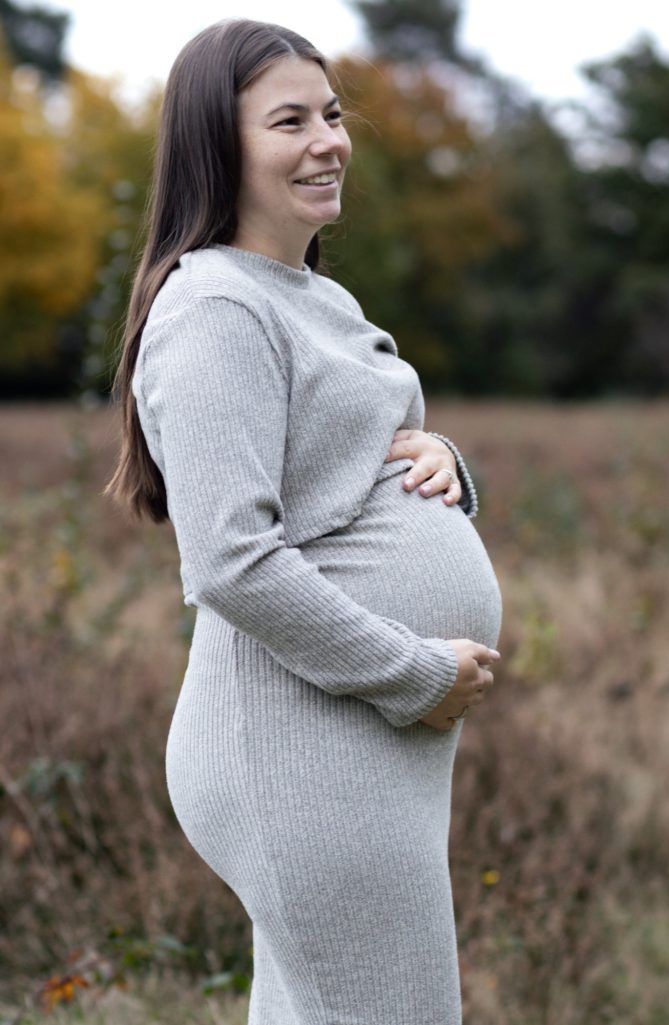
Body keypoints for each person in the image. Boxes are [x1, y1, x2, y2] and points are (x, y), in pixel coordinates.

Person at [105, 17, 503, 1024]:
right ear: (217, 148)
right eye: (289, 120)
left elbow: (350, 464)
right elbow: (232, 562)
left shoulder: (305, 294)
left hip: (348, 740)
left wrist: (448, 463)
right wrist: (418, 675)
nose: (328, 140)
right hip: (298, 745)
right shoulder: (213, 309)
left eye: (330, 114)